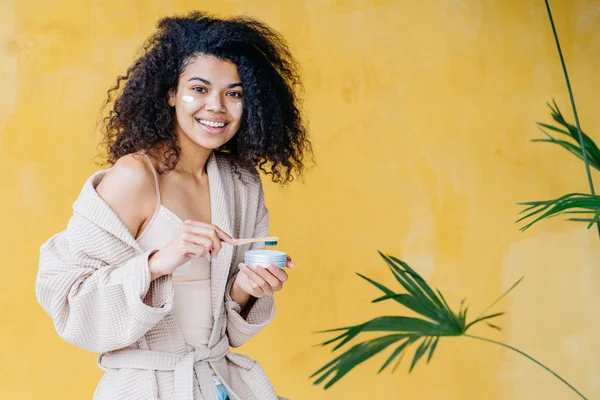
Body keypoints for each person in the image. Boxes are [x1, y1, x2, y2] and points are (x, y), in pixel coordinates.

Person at [36, 11, 311, 400]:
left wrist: (246, 288)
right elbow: (66, 296)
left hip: (220, 383)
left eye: (234, 93)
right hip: (145, 387)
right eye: (199, 89)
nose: (216, 106)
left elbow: (229, 328)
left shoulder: (241, 184)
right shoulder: (136, 177)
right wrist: (160, 261)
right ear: (169, 92)